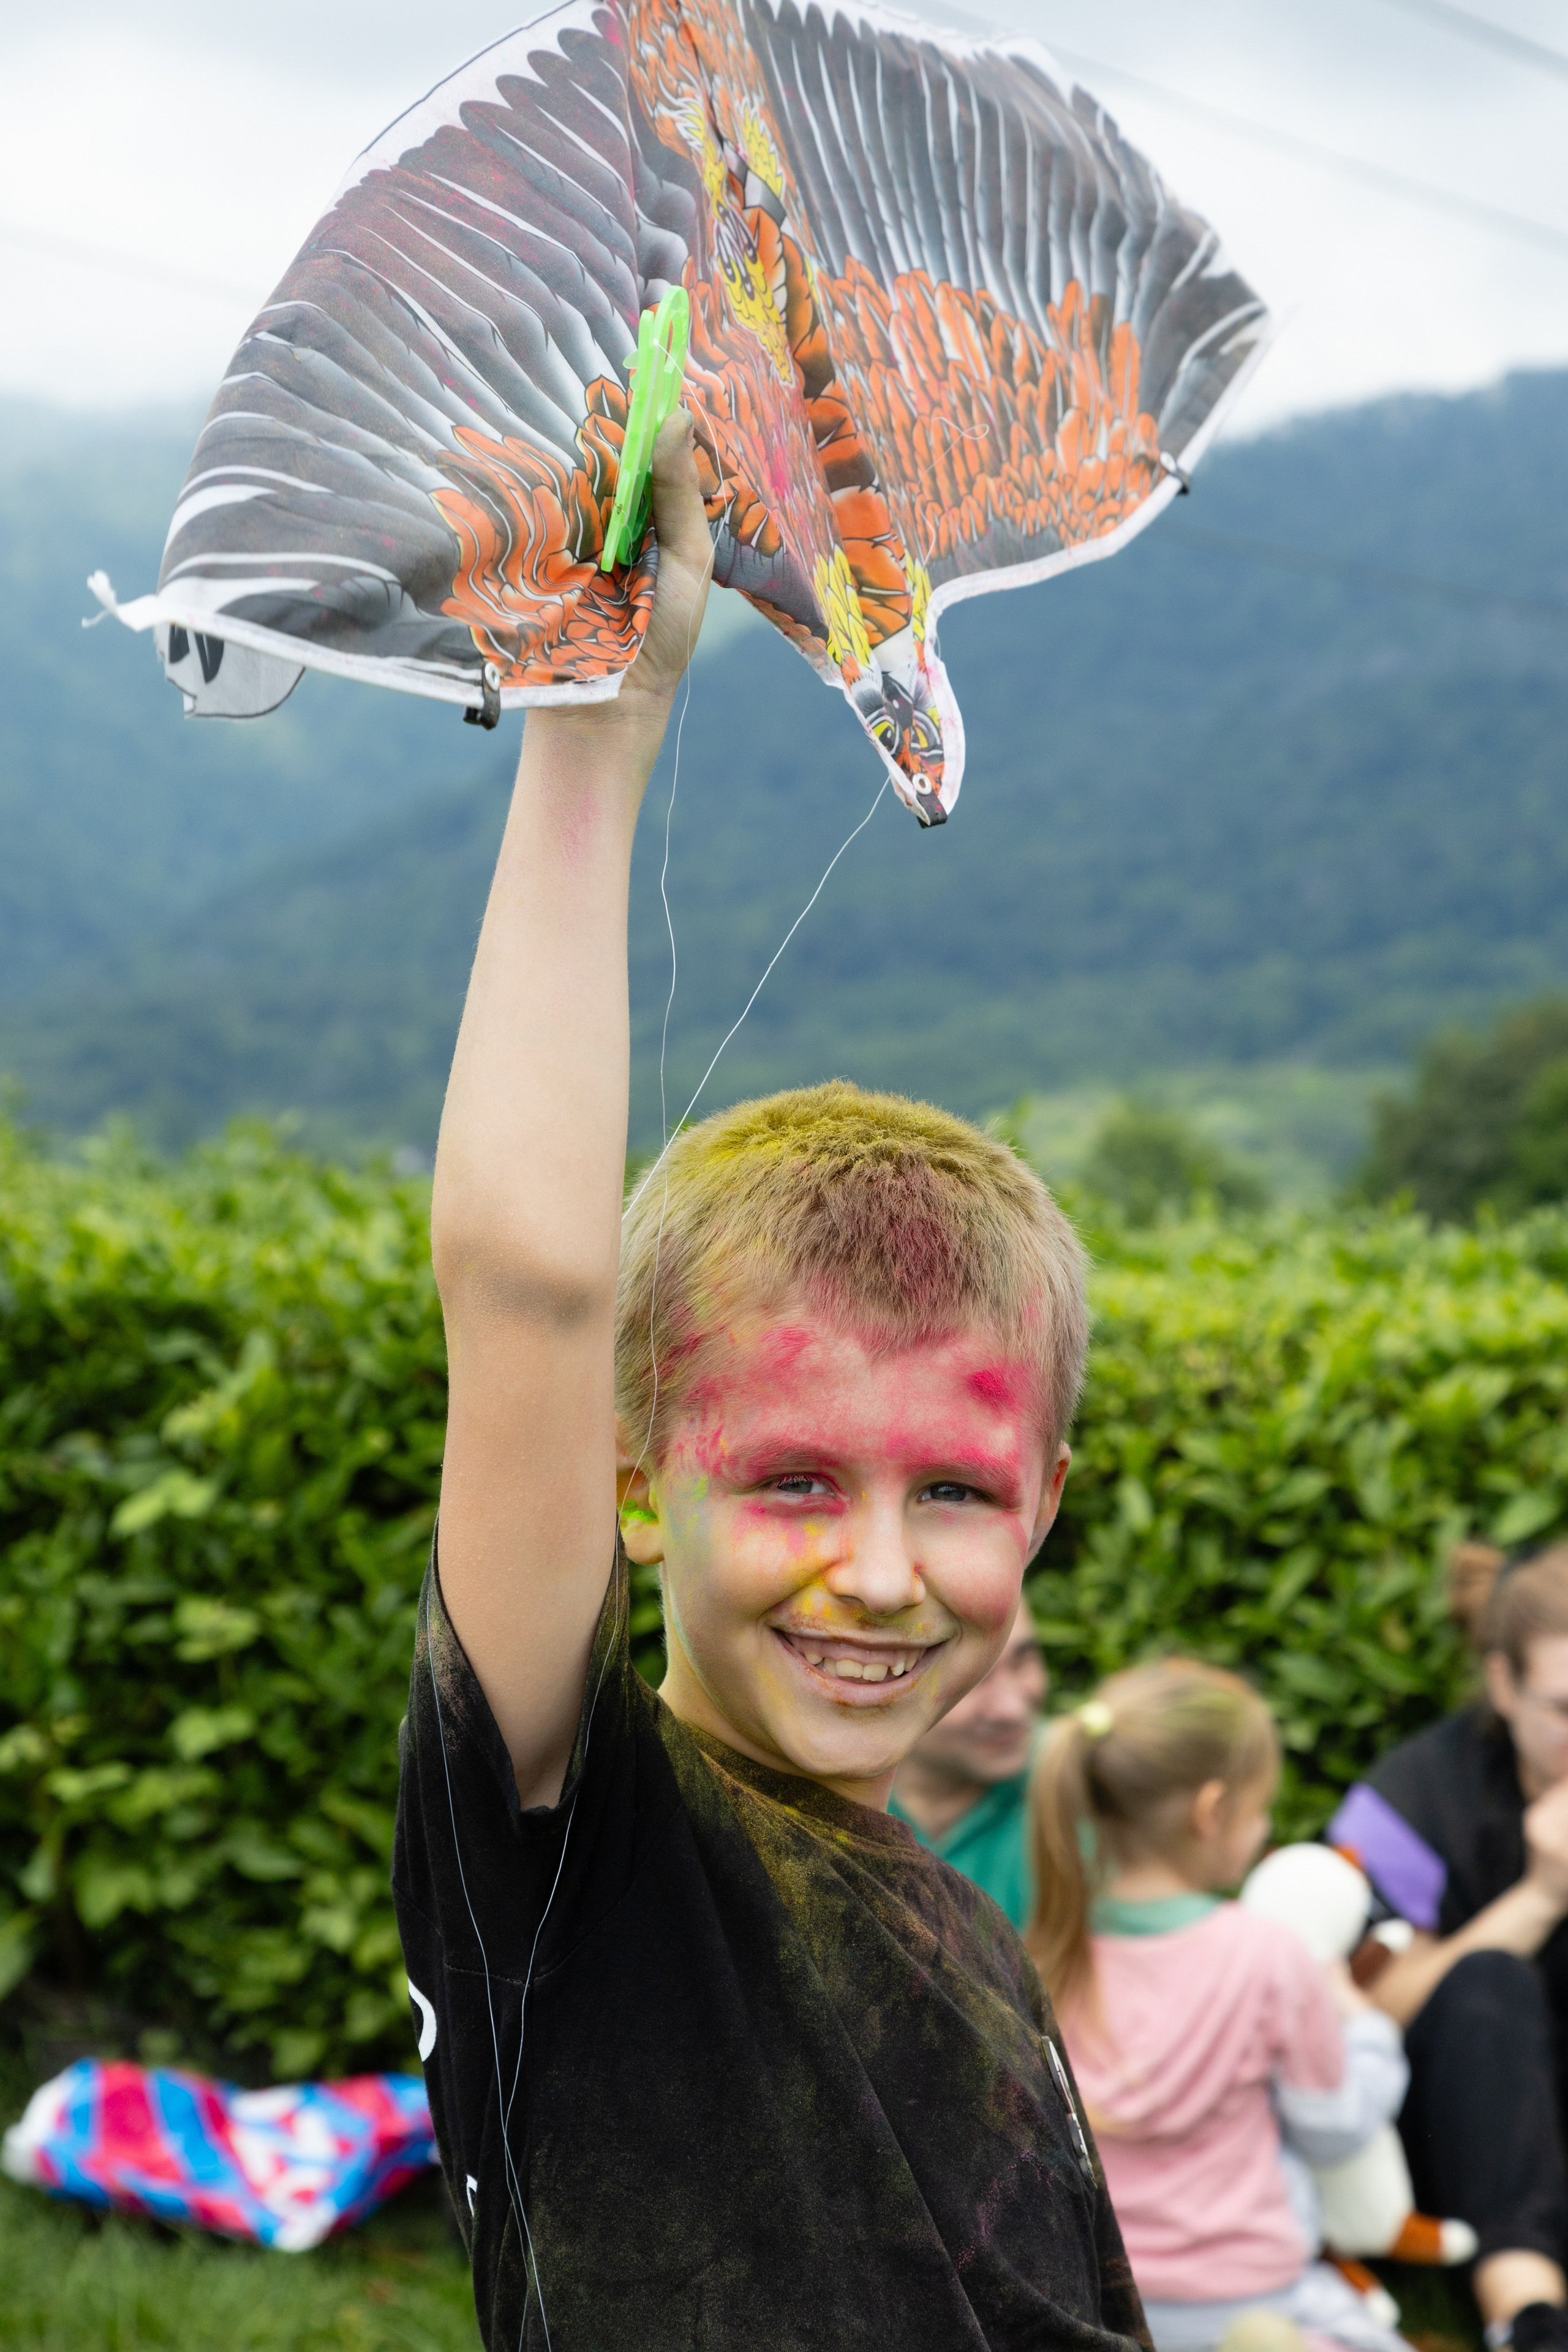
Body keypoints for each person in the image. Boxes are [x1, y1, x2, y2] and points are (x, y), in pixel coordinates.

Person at [390, 417, 1147, 2352]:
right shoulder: (581, 1849)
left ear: (1040, 1497)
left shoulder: (957, 1916)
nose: (880, 1572)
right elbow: (533, 1287)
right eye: (794, 1478)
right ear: (639, 1483)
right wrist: (598, 723)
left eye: (953, 1490)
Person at [1027, 1659, 1410, 2352]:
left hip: (1103, 2303)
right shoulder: (1267, 1956)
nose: (1265, 1829)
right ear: (1212, 1813)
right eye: (1261, 1808)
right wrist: (1371, 2031)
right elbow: (1334, 2127)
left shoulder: (1044, 1956)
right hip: (1255, 2303)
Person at [1328, 1544, 1568, 2352]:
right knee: (1489, 1981)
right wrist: (1540, 1896)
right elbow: (1358, 2014)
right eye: (1565, 1710)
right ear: (1504, 1684)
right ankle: (1526, 2311)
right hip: (1455, 2129)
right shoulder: (1417, 1797)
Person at [890, 1599, 1048, 1926]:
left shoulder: (1089, 1788)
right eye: (974, 1677)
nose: (1012, 1710)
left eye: (1023, 1661)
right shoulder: (812, 1815)